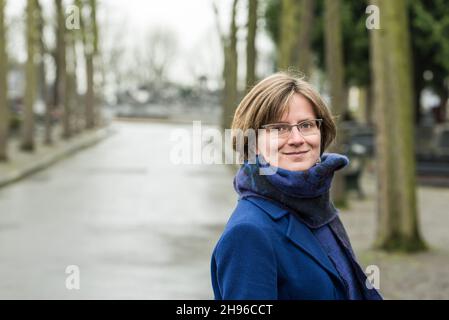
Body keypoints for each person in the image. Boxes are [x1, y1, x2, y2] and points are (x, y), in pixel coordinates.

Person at [210, 72, 382, 300]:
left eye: (306, 125)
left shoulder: (316, 208)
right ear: (253, 144)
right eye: (279, 128)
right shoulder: (248, 234)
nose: (297, 138)